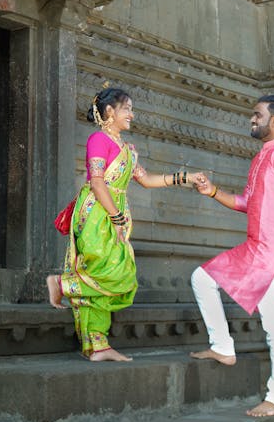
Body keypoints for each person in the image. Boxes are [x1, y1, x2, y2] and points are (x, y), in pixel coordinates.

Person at [47, 84, 197, 362]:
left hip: (116, 213)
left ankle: (98, 345)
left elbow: (147, 180)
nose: (132, 115)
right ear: (109, 111)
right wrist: (115, 217)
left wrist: (184, 178)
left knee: (120, 276)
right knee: (105, 271)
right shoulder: (98, 140)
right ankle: (63, 284)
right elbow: (96, 181)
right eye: (127, 109)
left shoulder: (127, 149)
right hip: (96, 212)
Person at [191, 95, 274, 417]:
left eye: (257, 115)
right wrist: (213, 192)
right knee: (202, 278)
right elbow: (247, 202)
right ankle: (223, 347)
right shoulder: (261, 157)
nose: (251, 120)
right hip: (255, 249)